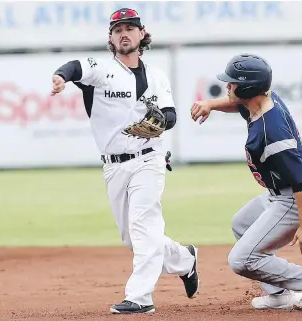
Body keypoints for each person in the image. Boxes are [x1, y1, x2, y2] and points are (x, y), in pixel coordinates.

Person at [50, 8, 199, 315]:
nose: (124, 33)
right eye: (118, 29)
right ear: (111, 37)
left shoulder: (157, 75)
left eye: (130, 28)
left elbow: (169, 114)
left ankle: (140, 297)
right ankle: (185, 259)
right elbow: (75, 66)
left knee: (144, 225)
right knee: (132, 237)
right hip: (114, 164)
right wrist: (60, 77)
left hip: (149, 159)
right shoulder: (101, 69)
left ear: (142, 34)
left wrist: (161, 121)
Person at [190, 54, 302, 311]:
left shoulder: (273, 132)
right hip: (279, 194)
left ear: (248, 88)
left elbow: (300, 180)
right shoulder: (262, 100)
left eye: (233, 82)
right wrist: (211, 105)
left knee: (241, 259)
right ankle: (279, 294)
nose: (228, 86)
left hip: (294, 198)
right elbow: (236, 104)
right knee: (241, 224)